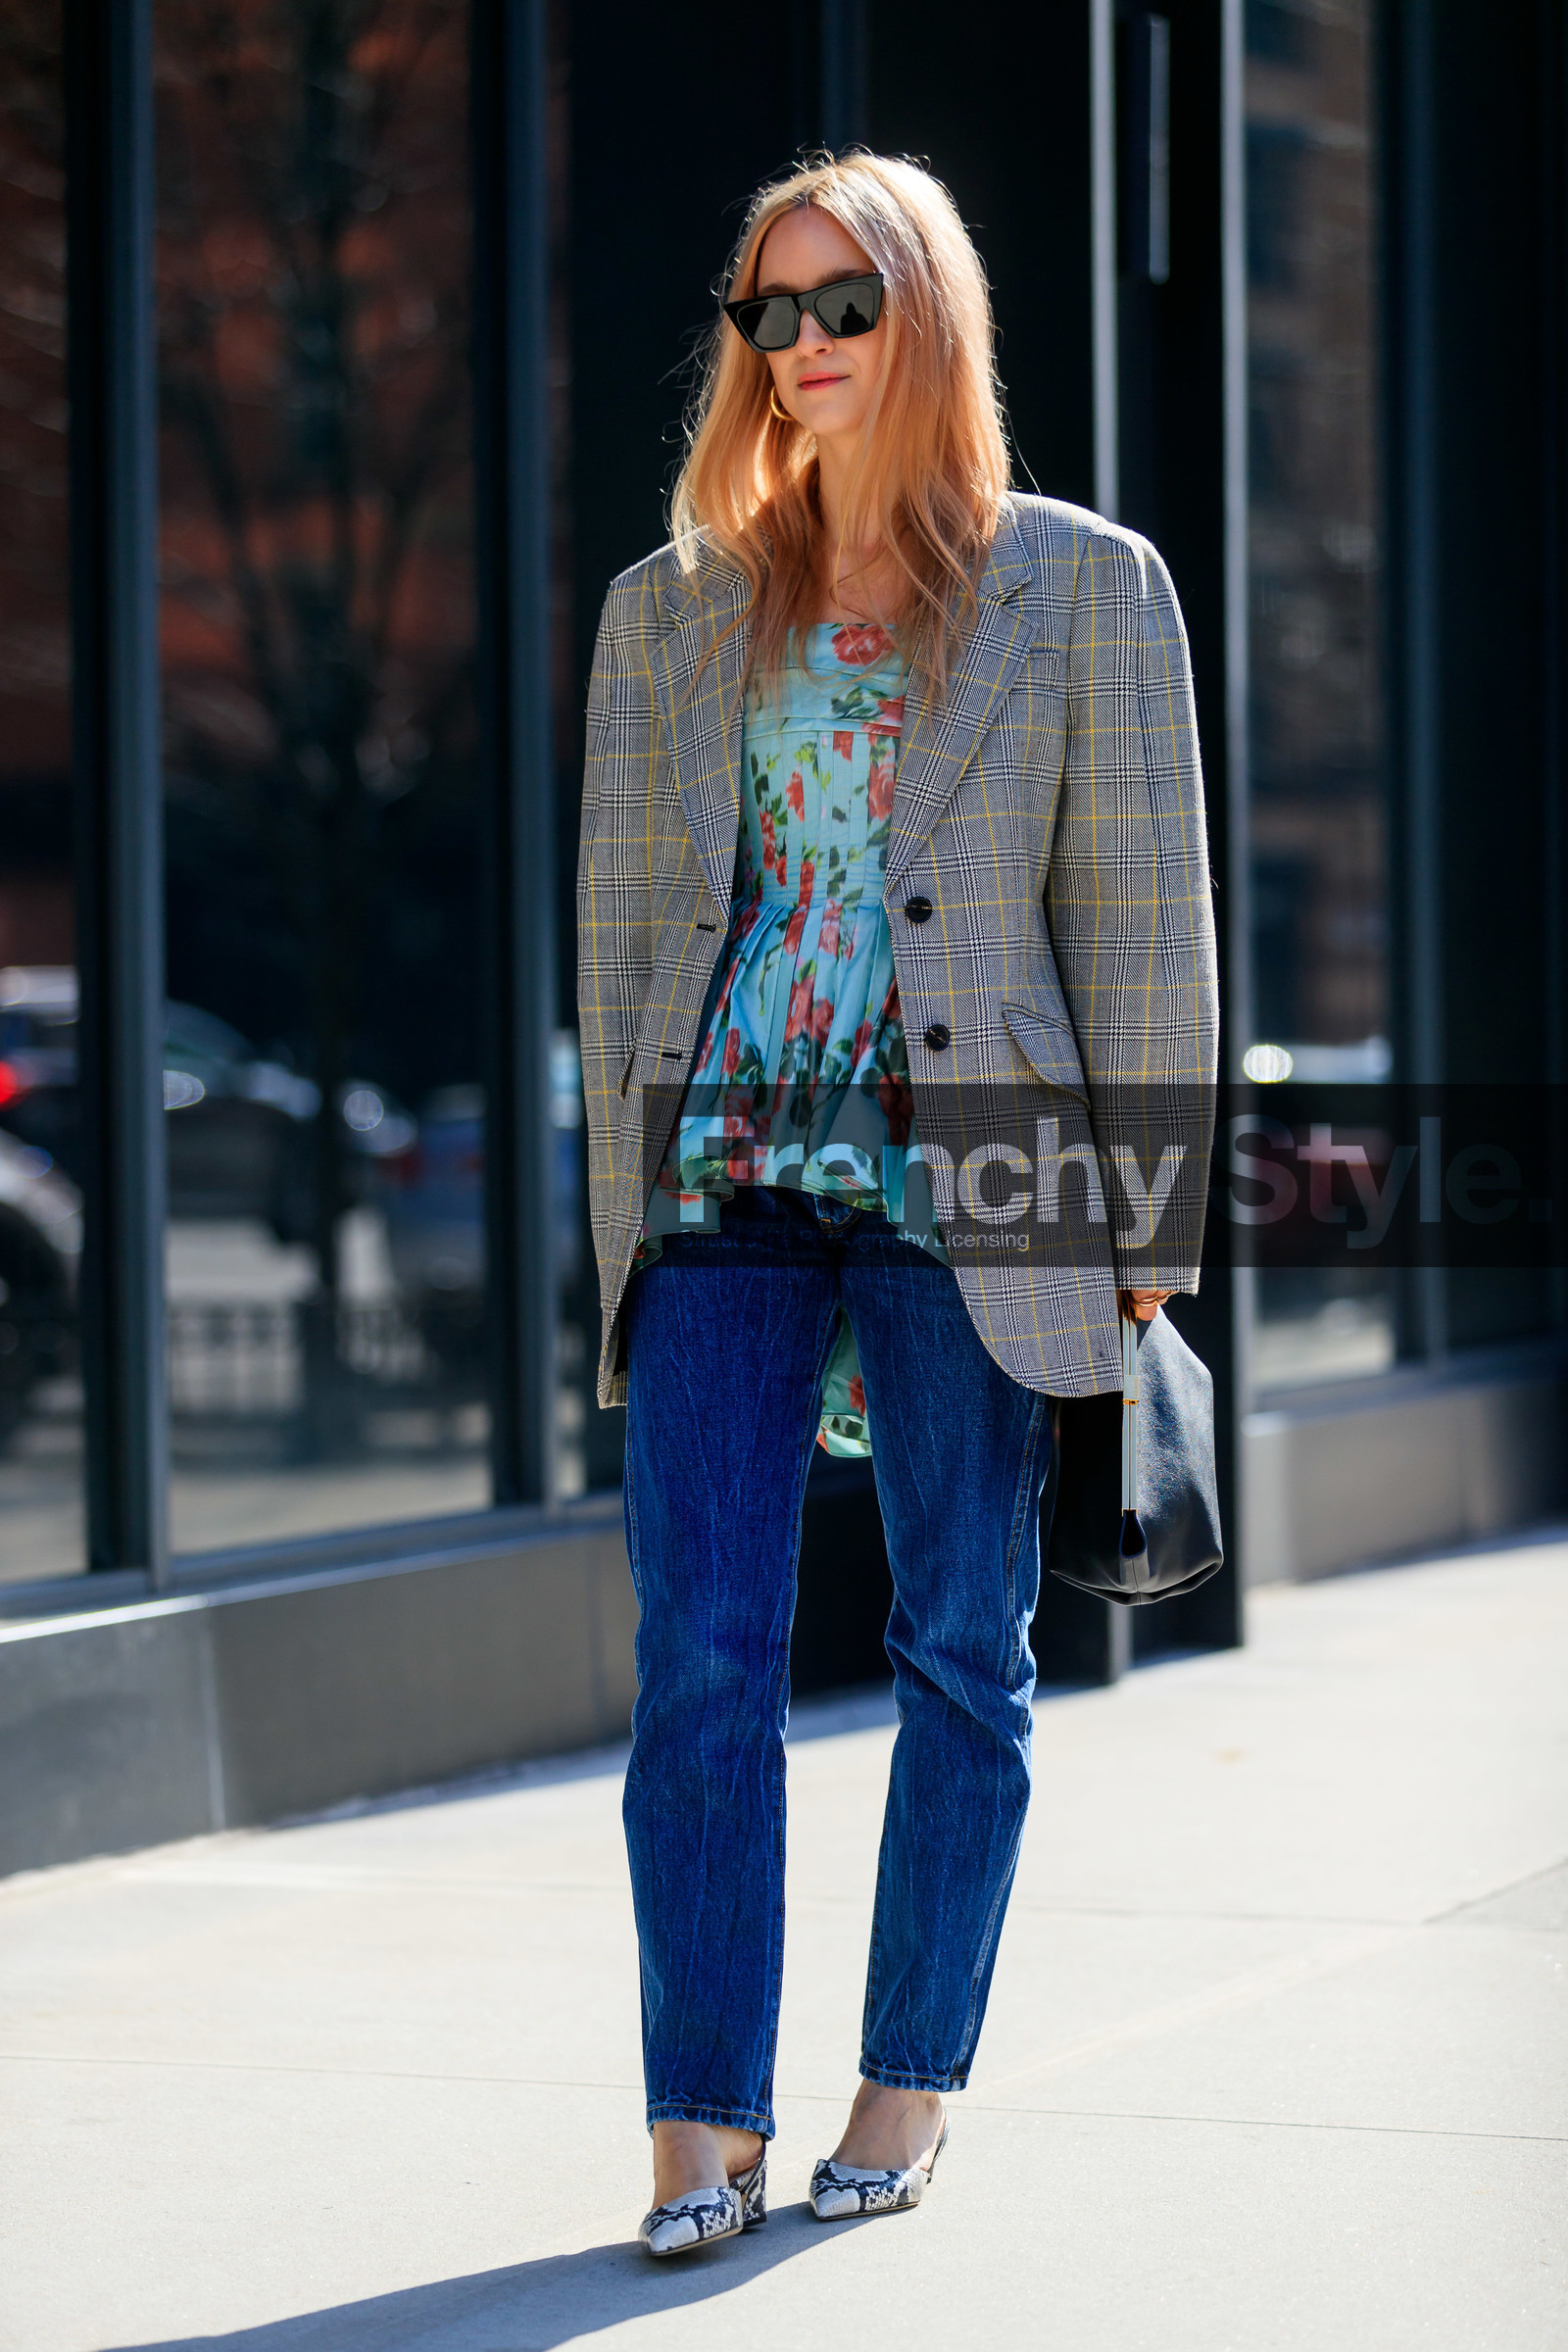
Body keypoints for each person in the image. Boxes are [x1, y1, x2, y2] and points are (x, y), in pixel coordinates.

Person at [575, 153, 1218, 2257]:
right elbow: (623, 941)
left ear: (921, 315)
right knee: (701, 1656)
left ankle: (903, 2083)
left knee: (959, 1642)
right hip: (727, 1181)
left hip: (982, 1188)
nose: (802, 346)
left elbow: (1138, 926)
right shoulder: (668, 609)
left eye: (841, 303)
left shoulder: (1079, 585)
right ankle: (697, 2123)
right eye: (767, 313)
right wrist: (619, 1215)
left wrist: (1146, 1243)